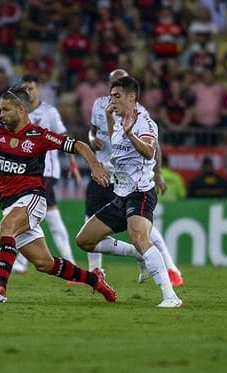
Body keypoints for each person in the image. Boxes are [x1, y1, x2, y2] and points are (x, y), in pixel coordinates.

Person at [0, 86, 116, 303]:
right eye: (0, 109)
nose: (1, 115)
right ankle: (95, 280)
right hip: (9, 204)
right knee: (45, 263)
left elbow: (79, 145)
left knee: (6, 227)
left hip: (33, 198)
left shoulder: (39, 136)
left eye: (5, 110)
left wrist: (95, 167)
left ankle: (0, 285)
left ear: (21, 110)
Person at [76, 76, 183, 308]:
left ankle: (170, 295)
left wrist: (131, 134)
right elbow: (117, 138)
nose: (112, 100)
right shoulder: (118, 120)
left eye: (117, 96)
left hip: (141, 193)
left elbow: (148, 152)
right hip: (120, 195)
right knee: (84, 240)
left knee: (140, 236)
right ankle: (136, 254)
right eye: (111, 96)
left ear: (132, 97)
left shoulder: (145, 123)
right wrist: (107, 117)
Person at [12, 74, 81, 274]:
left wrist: (73, 164)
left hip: (48, 171)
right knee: (41, 213)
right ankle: (26, 262)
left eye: (31, 88)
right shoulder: (19, 113)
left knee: (35, 212)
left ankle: (66, 262)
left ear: (38, 90)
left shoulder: (49, 112)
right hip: (27, 172)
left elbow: (64, 138)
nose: (28, 92)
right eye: (25, 89)